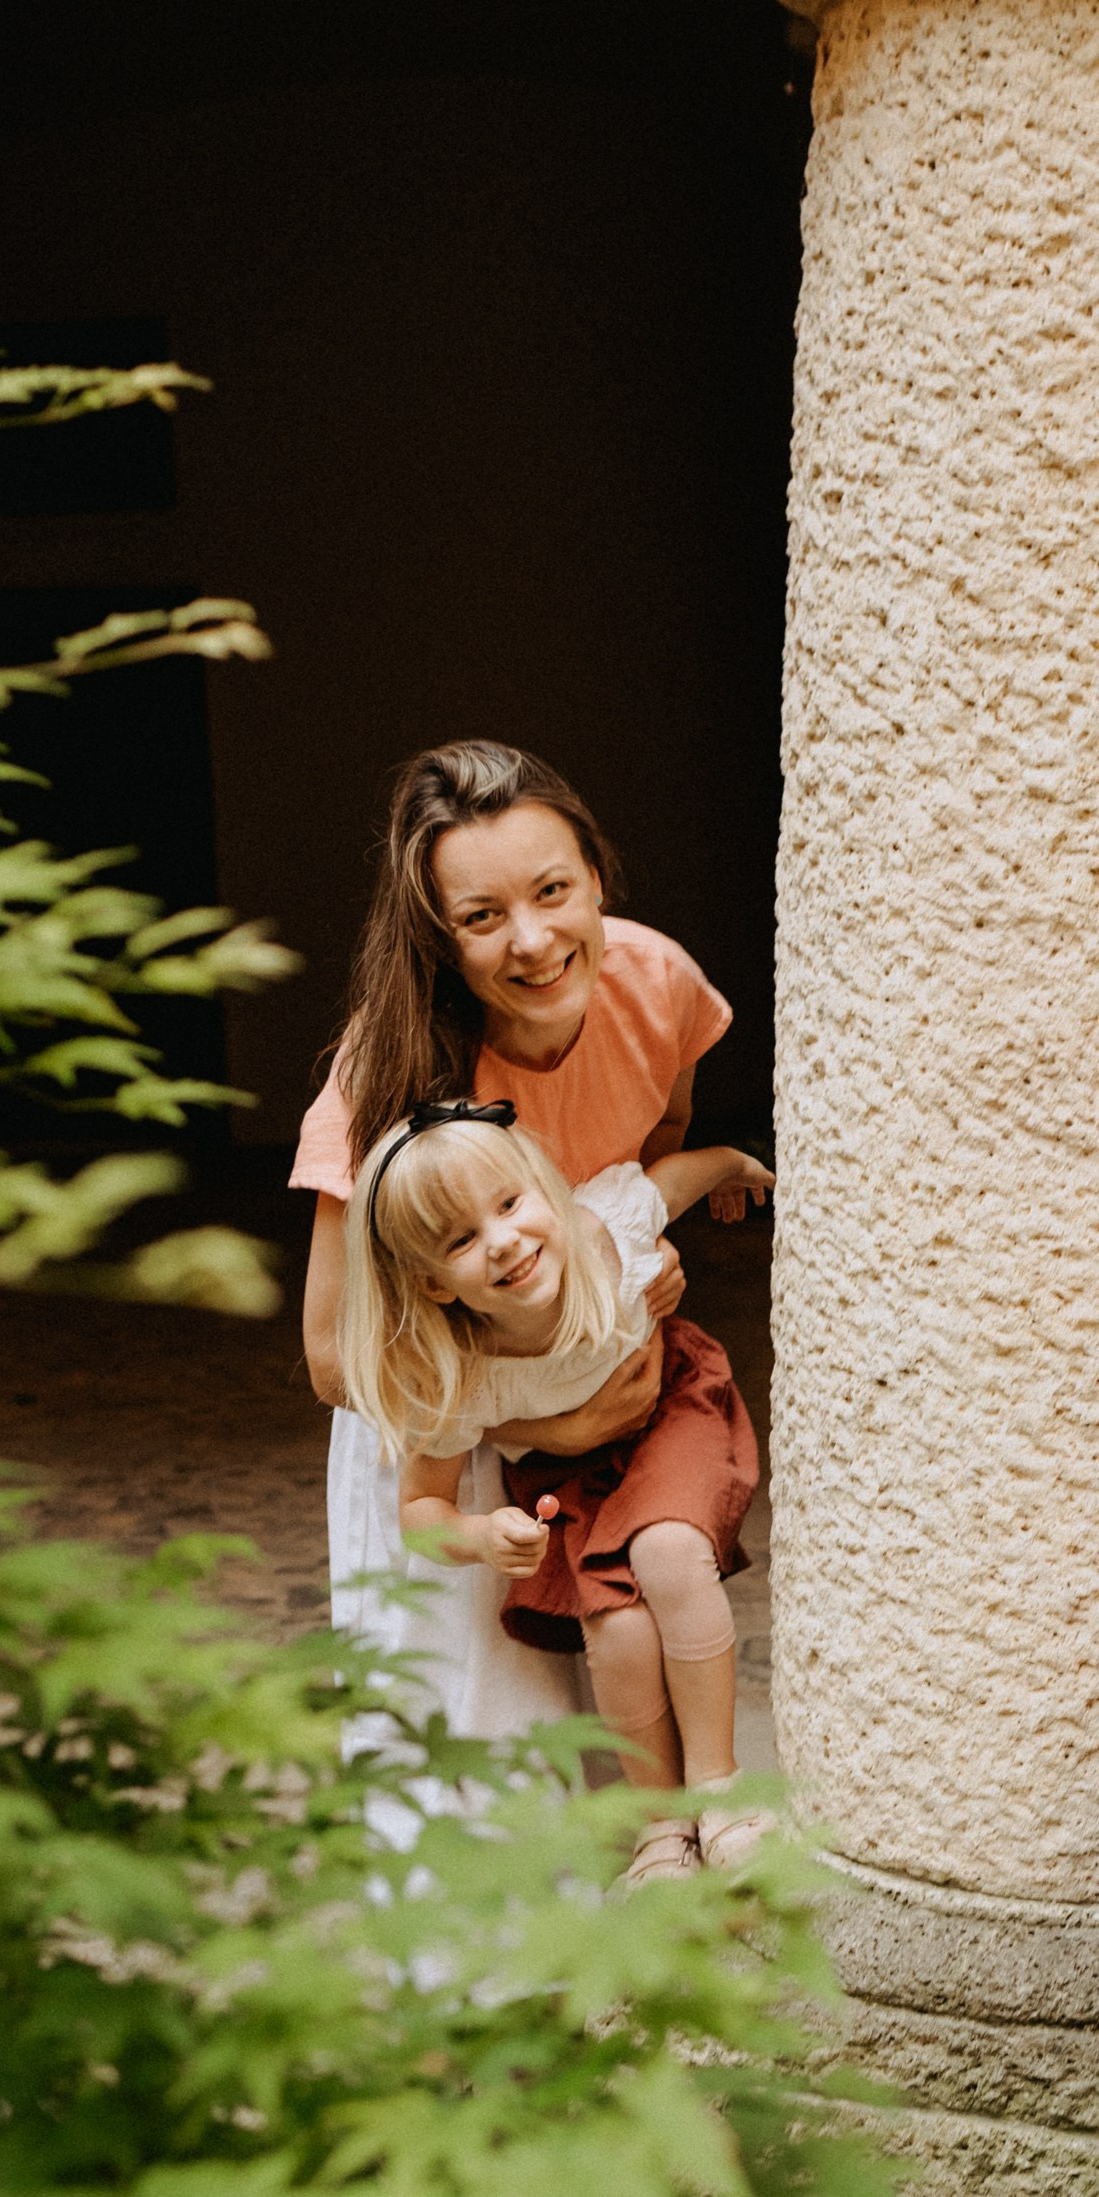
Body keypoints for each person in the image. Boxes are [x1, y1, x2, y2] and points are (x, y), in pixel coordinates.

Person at [295, 740, 758, 1752]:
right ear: (438, 939)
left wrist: (632, 1280)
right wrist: (547, 1422)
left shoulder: (658, 981)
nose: (534, 940)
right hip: (441, 1425)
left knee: (622, 1730)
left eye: (554, 889)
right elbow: (337, 1357)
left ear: (597, 876)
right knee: (474, 1770)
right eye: (480, 917)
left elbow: (658, 1155)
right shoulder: (393, 1060)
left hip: (588, 1375)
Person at [337, 1106, 771, 1871]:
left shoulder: (605, 1235)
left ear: (544, 1190)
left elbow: (669, 1182)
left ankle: (719, 1789)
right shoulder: (457, 1376)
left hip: (669, 1406)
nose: (502, 1240)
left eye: (509, 1204)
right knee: (618, 1629)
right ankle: (659, 1827)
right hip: (569, 1475)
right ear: (435, 1285)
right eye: (461, 1240)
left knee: (670, 1554)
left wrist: (733, 1162)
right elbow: (419, 1511)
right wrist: (478, 1534)